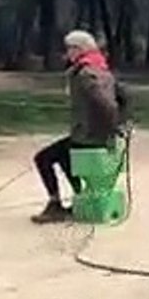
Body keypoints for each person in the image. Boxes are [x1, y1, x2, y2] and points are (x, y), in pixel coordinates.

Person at [30, 30, 123, 224]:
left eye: (70, 48)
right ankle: (80, 199)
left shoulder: (84, 74)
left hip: (88, 136)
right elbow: (124, 96)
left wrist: (112, 125)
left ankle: (55, 204)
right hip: (93, 134)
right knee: (65, 156)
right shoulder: (102, 69)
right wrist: (121, 123)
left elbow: (104, 103)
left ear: (80, 49)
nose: (67, 53)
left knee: (43, 158)